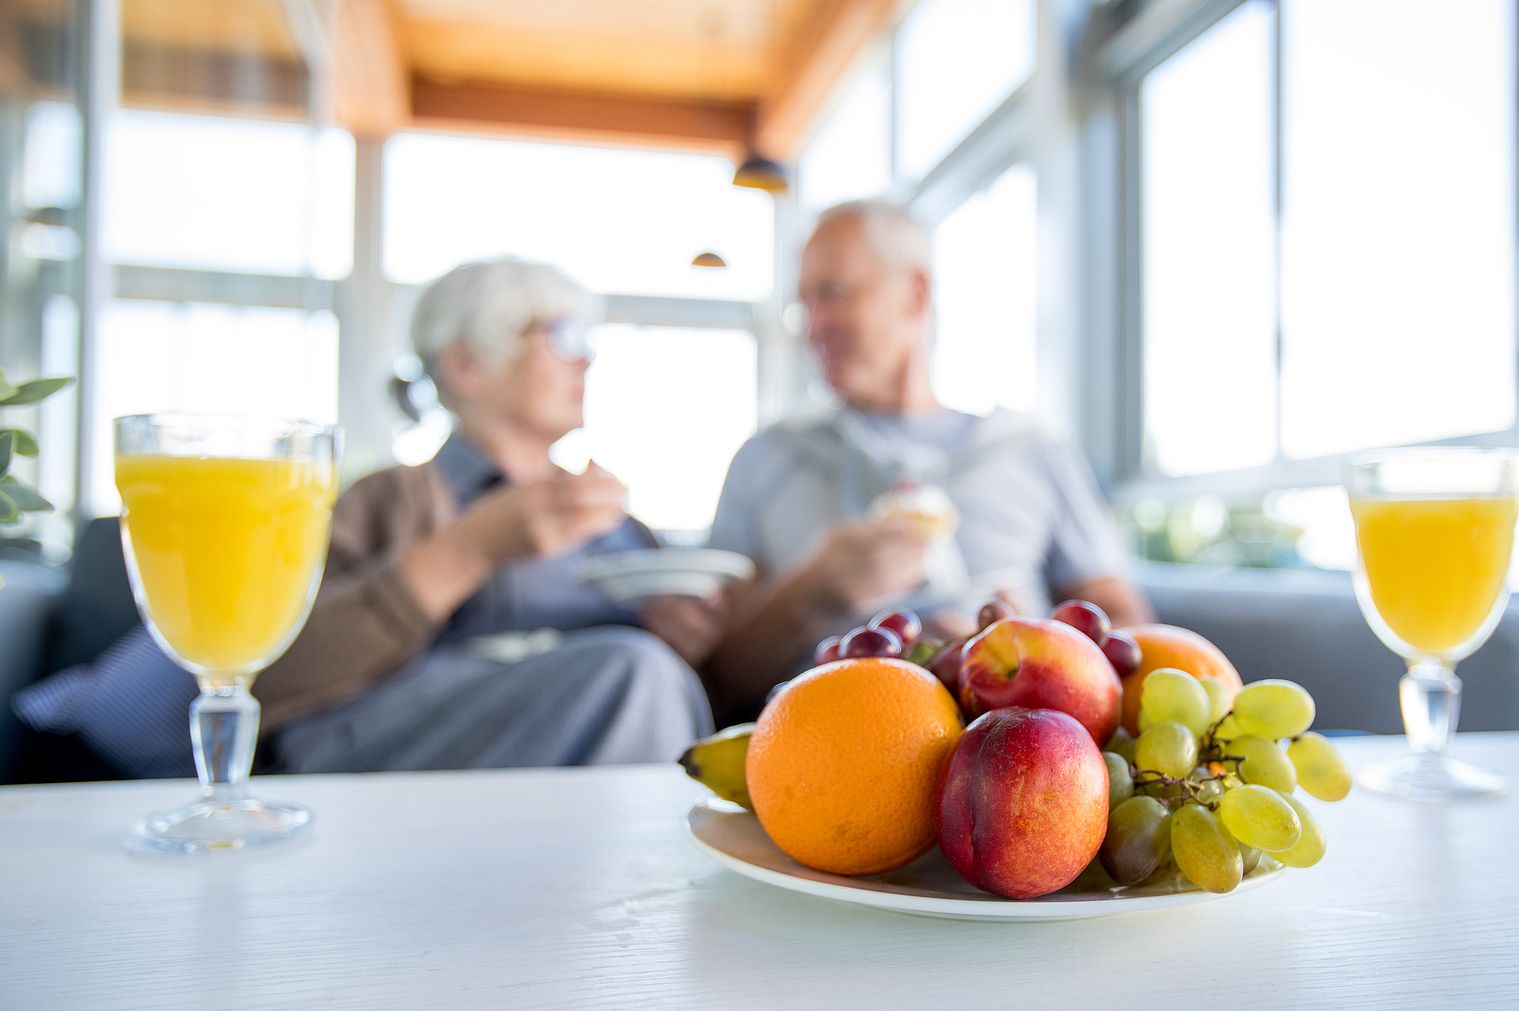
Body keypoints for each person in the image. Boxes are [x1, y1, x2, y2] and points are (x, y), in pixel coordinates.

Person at [14, 258, 721, 778]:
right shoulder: (389, 497)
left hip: (562, 757)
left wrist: (687, 631)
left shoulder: (620, 519)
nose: (586, 358)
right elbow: (273, 666)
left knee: (648, 670)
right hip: (382, 747)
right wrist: (468, 550)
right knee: (634, 674)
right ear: (467, 364)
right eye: (561, 335)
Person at [704, 200, 1153, 713]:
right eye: (803, 303)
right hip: (822, 752)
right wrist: (808, 595)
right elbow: (715, 683)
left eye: (832, 294)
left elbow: (1127, 630)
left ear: (915, 295)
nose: (811, 325)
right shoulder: (765, 456)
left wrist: (1024, 644)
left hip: (1016, 751)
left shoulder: (1031, 449)